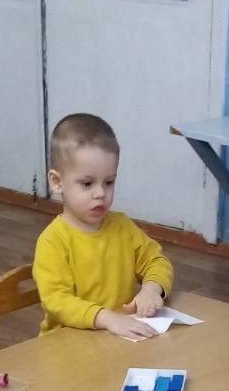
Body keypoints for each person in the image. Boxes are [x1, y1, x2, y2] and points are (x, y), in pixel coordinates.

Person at [32, 113, 175, 340]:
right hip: (67, 345)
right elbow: (57, 301)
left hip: (119, 339)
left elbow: (156, 260)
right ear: (57, 182)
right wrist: (107, 318)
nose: (100, 193)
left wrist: (151, 289)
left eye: (109, 182)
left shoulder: (122, 227)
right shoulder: (53, 241)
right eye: (87, 183)